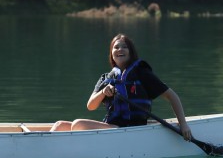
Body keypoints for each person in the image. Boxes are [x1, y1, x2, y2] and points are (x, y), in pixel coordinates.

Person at [50, 33, 192, 141]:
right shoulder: (106, 78)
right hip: (111, 127)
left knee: (78, 124)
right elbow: (90, 106)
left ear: (131, 52)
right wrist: (103, 93)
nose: (120, 49)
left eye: (124, 46)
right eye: (116, 47)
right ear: (111, 54)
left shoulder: (142, 73)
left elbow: (172, 96)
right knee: (59, 125)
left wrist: (183, 124)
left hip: (130, 130)